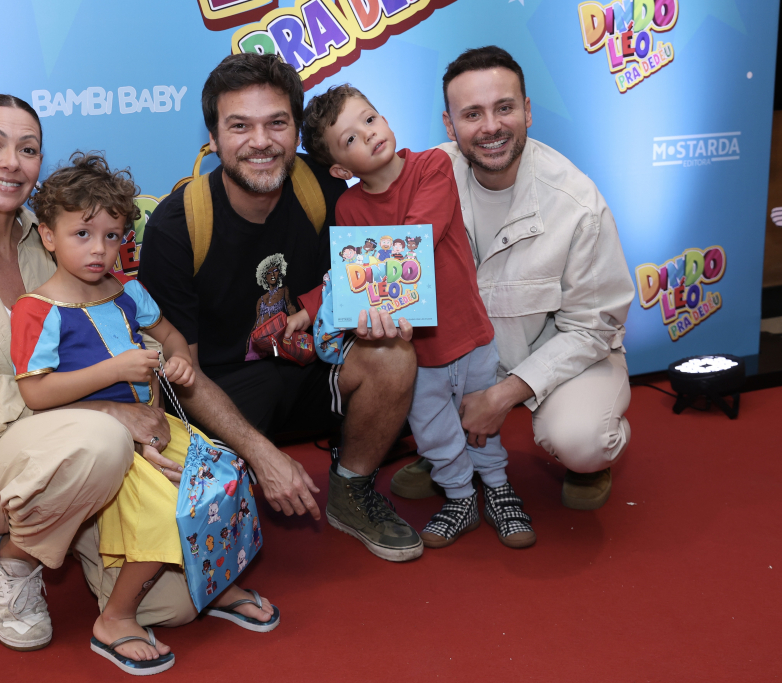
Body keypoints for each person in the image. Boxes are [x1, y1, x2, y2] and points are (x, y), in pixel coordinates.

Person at [0, 95, 195, 656]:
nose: (10, 161)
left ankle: (82, 519)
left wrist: (143, 403)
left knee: (174, 606)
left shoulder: (63, 233)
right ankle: (15, 559)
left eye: (27, 148)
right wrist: (112, 415)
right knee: (99, 442)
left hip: (83, 444)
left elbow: (133, 331)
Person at [139, 53, 422, 562]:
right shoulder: (176, 226)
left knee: (394, 355)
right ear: (213, 137)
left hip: (314, 367)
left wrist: (385, 307)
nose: (261, 141)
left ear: (295, 131)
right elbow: (184, 375)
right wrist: (262, 454)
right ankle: (242, 469)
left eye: (276, 123)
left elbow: (397, 211)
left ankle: (352, 489)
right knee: (178, 537)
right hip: (223, 392)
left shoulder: (326, 187)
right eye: (240, 126)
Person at [10, 151, 277, 675]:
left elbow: (172, 336)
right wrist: (116, 369)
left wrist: (178, 362)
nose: (100, 250)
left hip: (156, 425)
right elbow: (36, 395)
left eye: (112, 236)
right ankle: (116, 617)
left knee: (223, 478)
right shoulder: (37, 309)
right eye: (82, 234)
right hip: (105, 441)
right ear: (47, 236)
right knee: (163, 511)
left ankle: (216, 583)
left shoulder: (128, 290)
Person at [391, 46, 634, 510]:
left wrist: (503, 395)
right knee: (383, 361)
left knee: (581, 440)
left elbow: (593, 327)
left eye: (504, 108)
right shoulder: (421, 180)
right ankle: (447, 448)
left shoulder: (577, 202)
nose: (490, 127)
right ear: (449, 125)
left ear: (527, 111)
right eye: (472, 114)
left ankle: (590, 458)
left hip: (560, 353)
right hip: (458, 359)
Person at [301, 84, 535, 549]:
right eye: (349, 139)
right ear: (340, 168)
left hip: (468, 335)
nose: (368, 135)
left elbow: (419, 235)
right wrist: (310, 306)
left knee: (479, 423)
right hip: (414, 353)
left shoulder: (433, 166)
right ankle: (461, 495)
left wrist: (375, 271)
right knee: (431, 433)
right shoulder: (348, 207)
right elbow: (350, 274)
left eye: (369, 119)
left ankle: (500, 487)